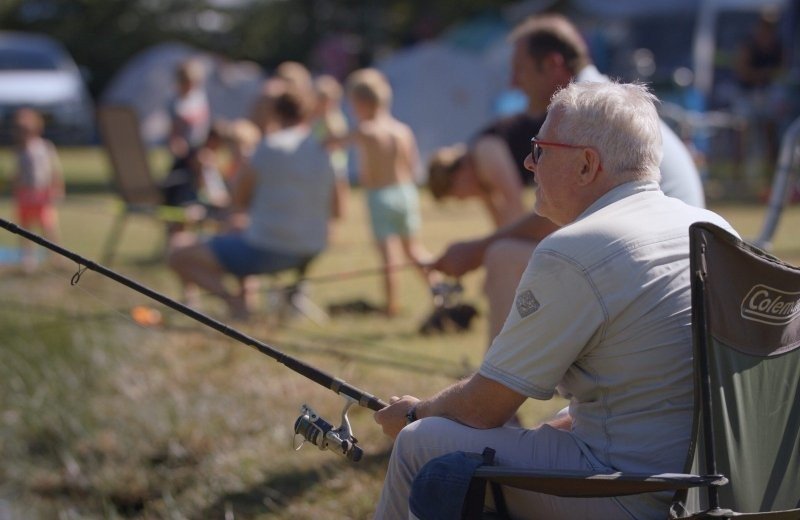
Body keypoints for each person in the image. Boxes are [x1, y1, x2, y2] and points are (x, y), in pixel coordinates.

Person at [373, 80, 738, 520]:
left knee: (420, 443)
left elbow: (483, 410)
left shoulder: (574, 248)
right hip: (714, 488)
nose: (528, 162)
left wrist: (415, 413)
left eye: (540, 149)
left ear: (586, 165)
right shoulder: (714, 228)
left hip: (632, 493)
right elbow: (650, 387)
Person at [432, 14, 706, 343]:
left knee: (502, 256)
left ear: (553, 64)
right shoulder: (602, 99)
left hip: (659, 271)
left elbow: (555, 218)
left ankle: (498, 379)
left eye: (519, 69)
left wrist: (478, 249)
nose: (513, 83)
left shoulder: (589, 109)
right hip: (672, 258)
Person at [167, 83, 344, 320]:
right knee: (242, 233)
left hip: (267, 249)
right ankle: (244, 303)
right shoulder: (325, 153)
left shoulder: (267, 147)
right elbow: (339, 210)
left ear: (276, 113)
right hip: (312, 247)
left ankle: (234, 304)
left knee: (177, 252)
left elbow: (238, 200)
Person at [337, 67, 440, 316]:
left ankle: (391, 306)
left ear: (361, 103)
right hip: (405, 192)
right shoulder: (402, 130)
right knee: (413, 250)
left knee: (389, 257)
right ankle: (440, 288)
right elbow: (412, 166)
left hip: (380, 195)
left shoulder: (366, 130)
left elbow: (335, 141)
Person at [11, 107, 64, 272]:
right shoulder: (19, 150)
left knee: (48, 226)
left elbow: (54, 170)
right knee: (25, 228)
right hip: (25, 195)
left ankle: (56, 257)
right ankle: (28, 259)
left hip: (42, 194)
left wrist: (57, 188)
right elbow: (17, 174)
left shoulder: (45, 147)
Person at [427, 142, 526, 228]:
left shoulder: (485, 156)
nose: (462, 199)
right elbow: (503, 230)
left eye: (456, 195)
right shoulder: (481, 177)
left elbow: (517, 211)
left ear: (456, 177)